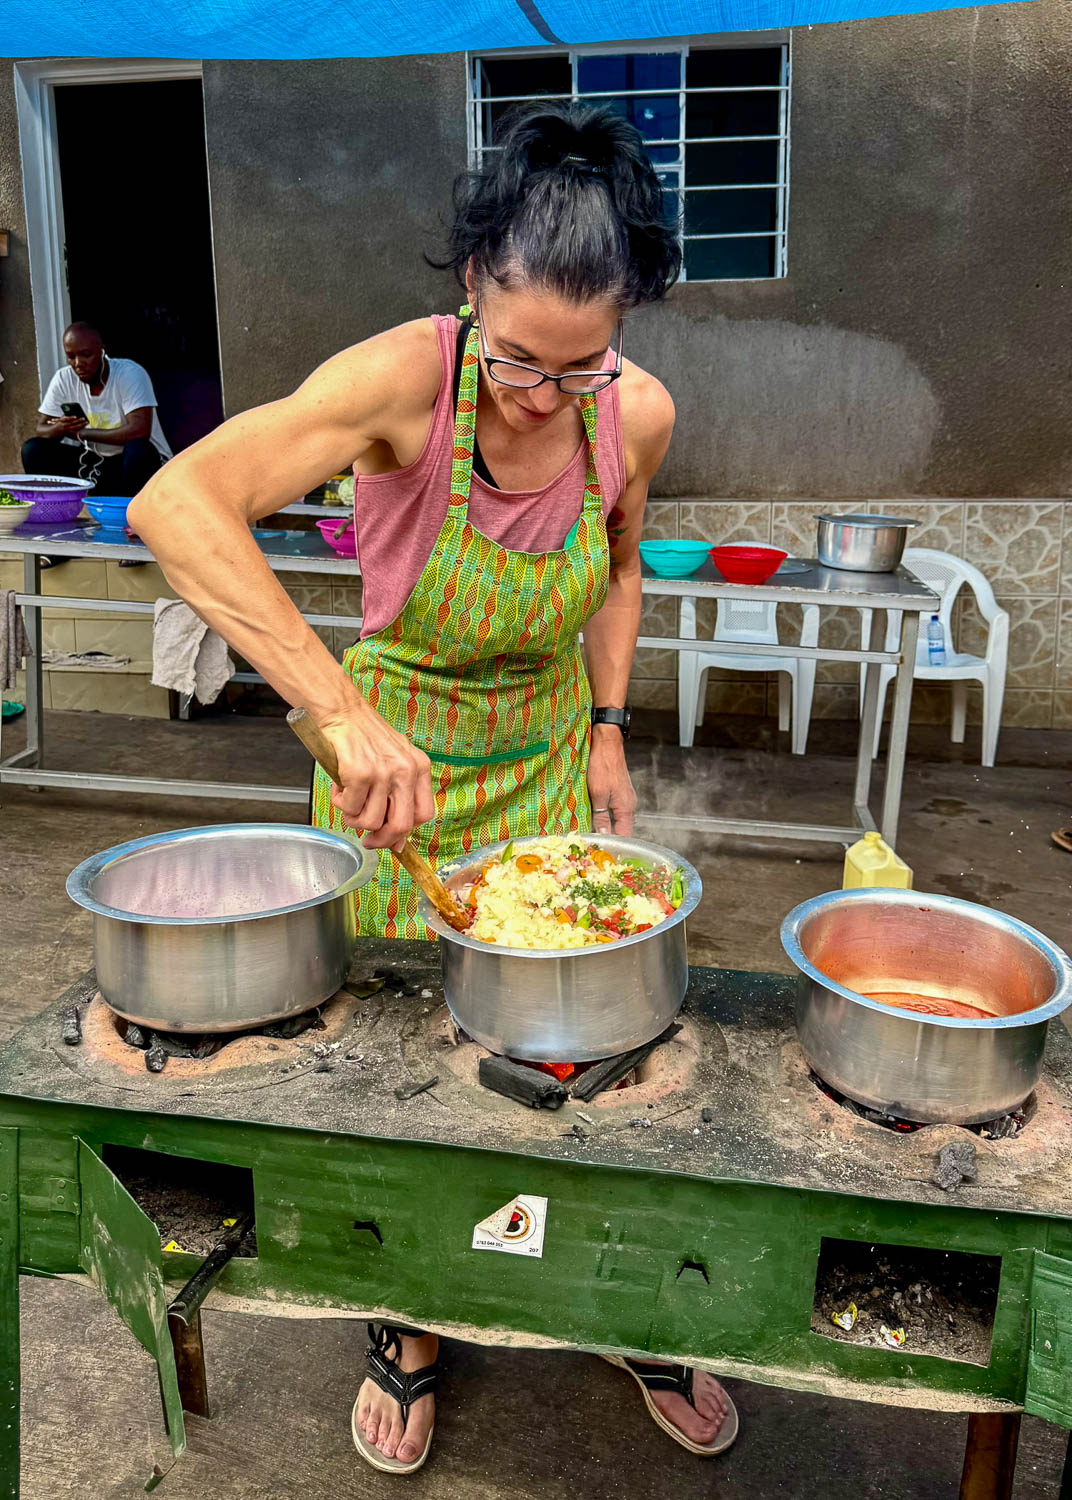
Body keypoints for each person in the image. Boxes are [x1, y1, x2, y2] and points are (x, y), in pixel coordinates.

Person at [130, 102, 737, 1474]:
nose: (543, 394)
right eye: (517, 357)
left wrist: (607, 725)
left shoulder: (634, 415)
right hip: (392, 766)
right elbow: (178, 507)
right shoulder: (402, 379)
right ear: (473, 286)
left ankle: (606, 1294)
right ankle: (407, 1319)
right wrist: (341, 716)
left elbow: (620, 564)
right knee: (411, 1067)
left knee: (568, 1049)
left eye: (580, 367)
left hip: (543, 761)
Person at [22, 322, 172, 496]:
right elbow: (41, 429)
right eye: (71, 356)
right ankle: (55, 507)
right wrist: (61, 428)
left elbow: (139, 432)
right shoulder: (64, 378)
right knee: (33, 449)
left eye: (86, 355)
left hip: (137, 466)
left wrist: (82, 433)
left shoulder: (129, 373)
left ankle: (133, 511)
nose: (78, 363)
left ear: (102, 350)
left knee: (138, 449)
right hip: (95, 464)